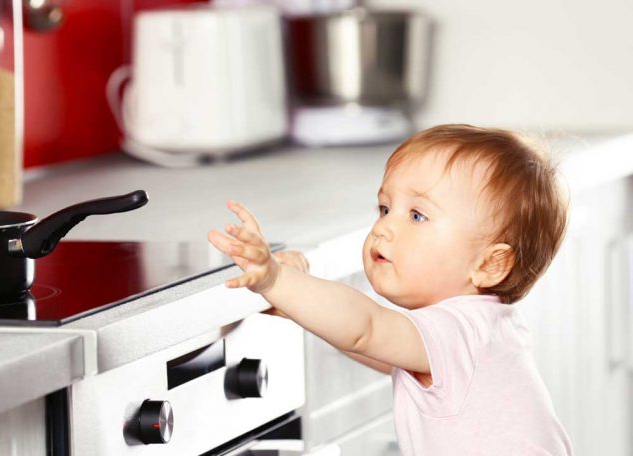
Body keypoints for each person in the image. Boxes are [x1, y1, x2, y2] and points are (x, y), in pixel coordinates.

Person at [207, 124, 573, 455]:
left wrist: (277, 281)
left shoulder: (458, 331)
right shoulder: (484, 328)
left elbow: (366, 329)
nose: (383, 228)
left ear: (489, 264)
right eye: (384, 208)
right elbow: (384, 348)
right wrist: (295, 304)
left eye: (417, 215)